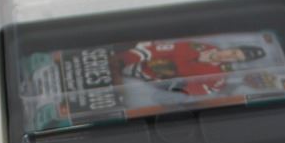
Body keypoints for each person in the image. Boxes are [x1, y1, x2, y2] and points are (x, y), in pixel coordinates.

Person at [116, 40, 273, 95]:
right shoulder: (199, 46)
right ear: (231, 48)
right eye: (232, 52)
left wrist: (182, 85)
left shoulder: (219, 77)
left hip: (145, 80)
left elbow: (206, 89)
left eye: (235, 58)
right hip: (133, 57)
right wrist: (124, 59)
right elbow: (157, 49)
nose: (228, 56)